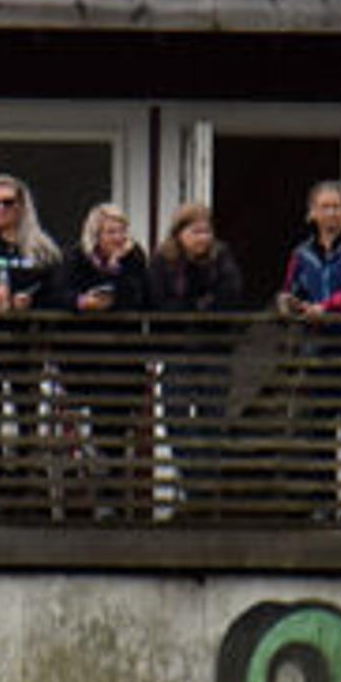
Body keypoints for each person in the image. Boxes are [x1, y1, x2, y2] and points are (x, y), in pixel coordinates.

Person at [0, 176, 65, 521]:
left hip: (27, 345)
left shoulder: (42, 250)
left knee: (27, 414)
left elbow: (57, 296)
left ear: (22, 206)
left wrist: (30, 305)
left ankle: (24, 481)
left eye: (8, 202)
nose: (1, 209)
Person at [277, 182, 341, 523]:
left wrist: (330, 307)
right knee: (319, 428)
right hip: (317, 346)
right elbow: (291, 289)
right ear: (313, 212)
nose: (331, 213)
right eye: (325, 206)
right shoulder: (302, 253)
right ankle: (325, 500)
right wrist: (289, 304)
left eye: (337, 206)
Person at [150, 201, 249, 520]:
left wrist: (199, 308)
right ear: (179, 233)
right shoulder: (163, 261)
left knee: (212, 424)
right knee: (176, 422)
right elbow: (160, 305)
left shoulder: (222, 259)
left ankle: (205, 497)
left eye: (206, 231)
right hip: (176, 352)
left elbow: (230, 299)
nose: (202, 238)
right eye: (195, 231)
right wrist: (196, 307)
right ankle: (194, 489)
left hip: (214, 352)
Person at [58, 202, 154, 520]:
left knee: (116, 430)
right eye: (111, 231)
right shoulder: (76, 257)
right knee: (88, 435)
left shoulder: (135, 258)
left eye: (121, 230)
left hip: (123, 360)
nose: (118, 237)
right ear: (96, 234)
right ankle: (92, 500)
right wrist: (81, 302)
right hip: (83, 360)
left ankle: (111, 501)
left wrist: (117, 268)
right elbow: (60, 294)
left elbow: (141, 299)